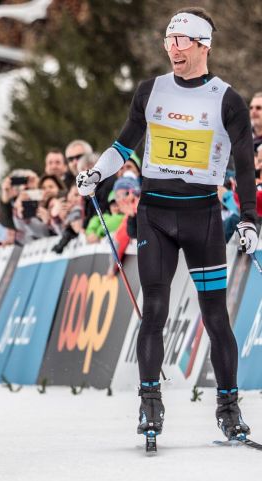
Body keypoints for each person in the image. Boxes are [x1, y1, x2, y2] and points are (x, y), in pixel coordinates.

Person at [76, 7, 258, 444]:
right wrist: (97, 173)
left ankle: (229, 409)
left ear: (203, 45)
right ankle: (149, 402)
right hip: (154, 213)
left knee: (216, 318)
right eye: (168, 40)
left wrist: (250, 217)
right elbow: (124, 144)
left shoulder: (227, 99)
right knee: (154, 308)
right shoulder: (151, 90)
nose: (172, 48)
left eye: (181, 41)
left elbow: (247, 165)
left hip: (204, 218)